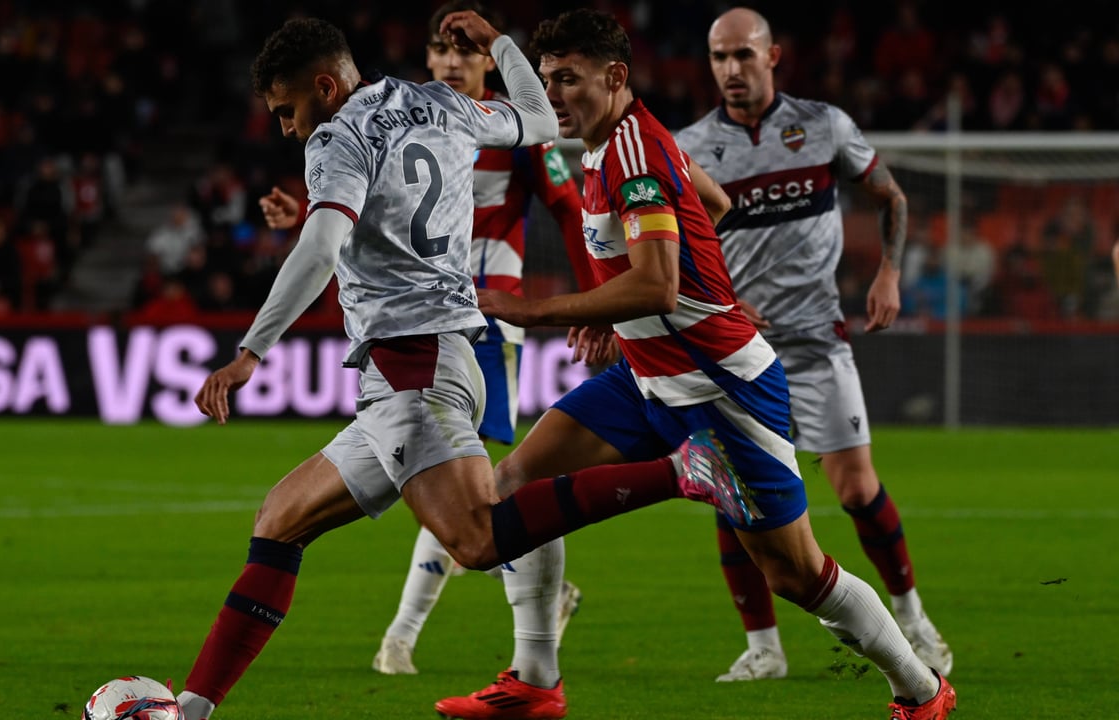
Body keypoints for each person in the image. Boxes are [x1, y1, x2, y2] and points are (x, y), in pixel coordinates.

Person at [175, 13, 748, 720]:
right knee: (279, 520)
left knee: (477, 538)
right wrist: (502, 45)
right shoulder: (438, 102)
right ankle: (191, 708)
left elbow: (323, 248)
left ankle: (680, 472)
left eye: (287, 110)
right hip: (437, 357)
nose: (289, 129)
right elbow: (540, 118)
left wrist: (249, 353)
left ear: (325, 87)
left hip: (413, 365)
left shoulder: (337, 136)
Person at [436, 9, 956, 720]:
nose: (552, 95)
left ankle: (922, 691)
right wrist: (638, 307)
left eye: (568, 80)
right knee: (511, 486)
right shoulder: (615, 141)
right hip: (646, 377)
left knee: (794, 573)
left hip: (723, 388)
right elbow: (713, 200)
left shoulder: (635, 155)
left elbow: (657, 285)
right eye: (547, 79)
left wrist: (535, 309)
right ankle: (535, 679)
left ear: (614, 77)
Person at [259, 0, 594, 681]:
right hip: (422, 320)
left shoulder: (490, 124)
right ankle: (499, 615)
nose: (449, 61)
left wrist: (592, 305)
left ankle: (425, 636)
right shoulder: (416, 115)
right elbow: (374, 218)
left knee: (475, 496)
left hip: (482, 321)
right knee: (455, 491)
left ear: (486, 62)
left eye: (464, 51)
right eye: (440, 51)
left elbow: (568, 208)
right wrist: (308, 220)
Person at [672, 6, 954, 684]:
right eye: (719, 57)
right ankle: (764, 648)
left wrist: (888, 273)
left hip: (817, 341)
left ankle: (914, 619)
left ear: (772, 57)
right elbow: (671, 243)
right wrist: (720, 299)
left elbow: (891, 198)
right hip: (737, 351)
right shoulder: (688, 146)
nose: (731, 69)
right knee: (733, 494)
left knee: (856, 488)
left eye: (743, 54)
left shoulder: (823, 125)